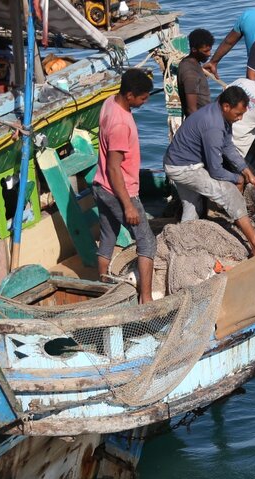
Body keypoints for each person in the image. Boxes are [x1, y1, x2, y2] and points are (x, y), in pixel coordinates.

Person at [163, 86, 255, 256]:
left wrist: (246, 170)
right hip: (183, 168)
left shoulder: (220, 114)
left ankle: (182, 249)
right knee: (229, 193)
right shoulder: (213, 125)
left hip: (175, 162)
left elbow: (228, 146)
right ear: (226, 106)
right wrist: (238, 178)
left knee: (191, 207)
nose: (240, 119)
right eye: (238, 114)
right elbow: (216, 170)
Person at [95, 68, 155, 303]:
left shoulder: (110, 102)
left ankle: (101, 289)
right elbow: (114, 168)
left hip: (100, 186)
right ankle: (146, 298)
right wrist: (128, 205)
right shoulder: (121, 124)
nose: (146, 101)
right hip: (118, 190)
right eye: (143, 97)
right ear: (129, 95)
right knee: (147, 242)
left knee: (108, 237)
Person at [177, 28, 214, 117]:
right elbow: (191, 109)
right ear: (194, 49)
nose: (209, 54)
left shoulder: (192, 64)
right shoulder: (190, 73)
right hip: (200, 122)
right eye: (205, 51)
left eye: (210, 50)